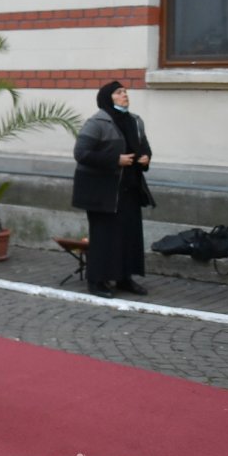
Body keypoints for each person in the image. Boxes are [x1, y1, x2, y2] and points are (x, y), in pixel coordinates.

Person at [72, 81, 153, 298]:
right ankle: (96, 281)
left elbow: (143, 146)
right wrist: (115, 160)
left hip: (129, 188)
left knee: (128, 235)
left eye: (125, 91)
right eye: (119, 92)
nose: (125, 94)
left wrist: (145, 159)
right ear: (109, 98)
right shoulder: (97, 122)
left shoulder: (135, 121)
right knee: (104, 237)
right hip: (102, 192)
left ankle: (124, 278)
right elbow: (81, 153)